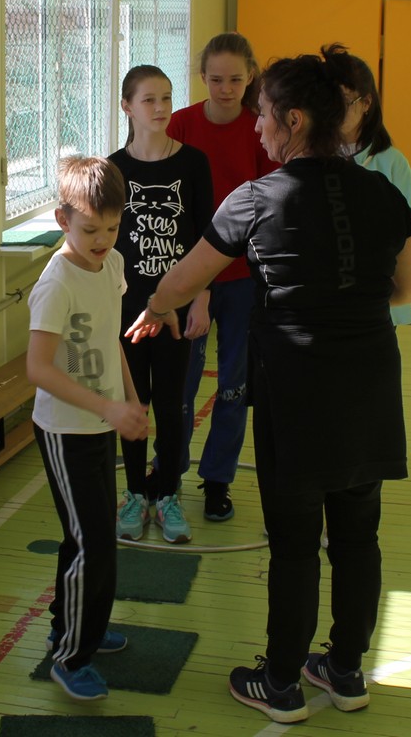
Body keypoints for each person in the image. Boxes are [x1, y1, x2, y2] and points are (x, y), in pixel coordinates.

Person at [128, 53, 411, 723]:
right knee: (358, 536)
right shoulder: (382, 191)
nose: (258, 127)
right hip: (371, 388)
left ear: (294, 120)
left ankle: (283, 680)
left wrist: (155, 308)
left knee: (295, 542)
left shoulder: (257, 198)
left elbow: (184, 278)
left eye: (263, 115)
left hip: (297, 393)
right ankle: (345, 671)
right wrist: (349, 296)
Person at [26, 156, 149, 703]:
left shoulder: (112, 264)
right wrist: (107, 407)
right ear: (63, 220)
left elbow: (108, 339)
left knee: (93, 537)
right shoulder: (56, 284)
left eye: (113, 228)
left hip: (100, 422)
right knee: (92, 543)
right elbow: (38, 369)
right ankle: (71, 655)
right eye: (91, 229)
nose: (103, 240)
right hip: (65, 431)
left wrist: (130, 398)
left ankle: (79, 625)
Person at [166, 31, 276, 522]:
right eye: (215, 80)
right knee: (181, 385)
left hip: (243, 279)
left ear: (250, 76)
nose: (225, 89)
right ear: (201, 77)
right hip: (190, 275)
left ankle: (217, 480)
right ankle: (169, 474)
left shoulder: (260, 128)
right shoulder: (182, 124)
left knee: (233, 384)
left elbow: (271, 202)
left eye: (235, 79)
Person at [109, 64, 214, 545]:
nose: (160, 108)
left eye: (166, 98)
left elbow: (208, 240)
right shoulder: (114, 169)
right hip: (128, 311)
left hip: (176, 310)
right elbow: (103, 245)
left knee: (172, 407)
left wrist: (201, 299)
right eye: (148, 99)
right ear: (127, 107)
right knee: (133, 404)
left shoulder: (193, 163)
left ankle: (168, 494)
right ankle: (135, 493)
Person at [323, 44, 411, 325]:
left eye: (344, 102)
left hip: (381, 305)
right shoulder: (313, 159)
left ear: (366, 103)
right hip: (327, 304)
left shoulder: (391, 161)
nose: (333, 111)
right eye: (327, 101)